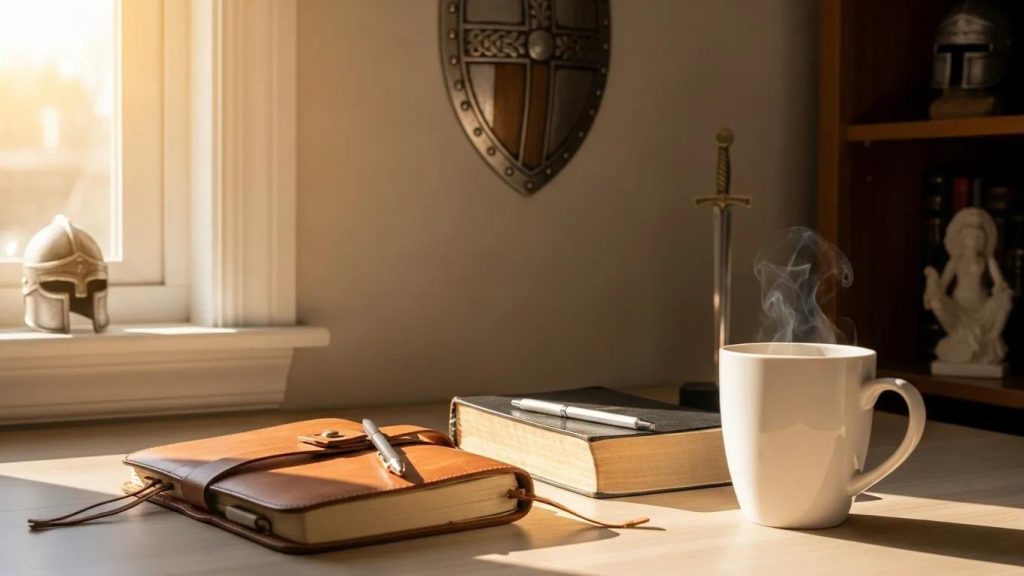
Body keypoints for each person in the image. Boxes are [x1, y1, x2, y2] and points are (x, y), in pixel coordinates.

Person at [924, 207, 1013, 364]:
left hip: (982, 304)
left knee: (1005, 300)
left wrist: (1001, 289)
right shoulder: (955, 261)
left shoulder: (986, 260)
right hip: (958, 307)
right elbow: (942, 287)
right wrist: (932, 281)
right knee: (937, 303)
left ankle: (990, 340)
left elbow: (999, 284)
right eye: (970, 236)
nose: (974, 241)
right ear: (962, 239)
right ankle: (960, 340)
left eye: (978, 237)